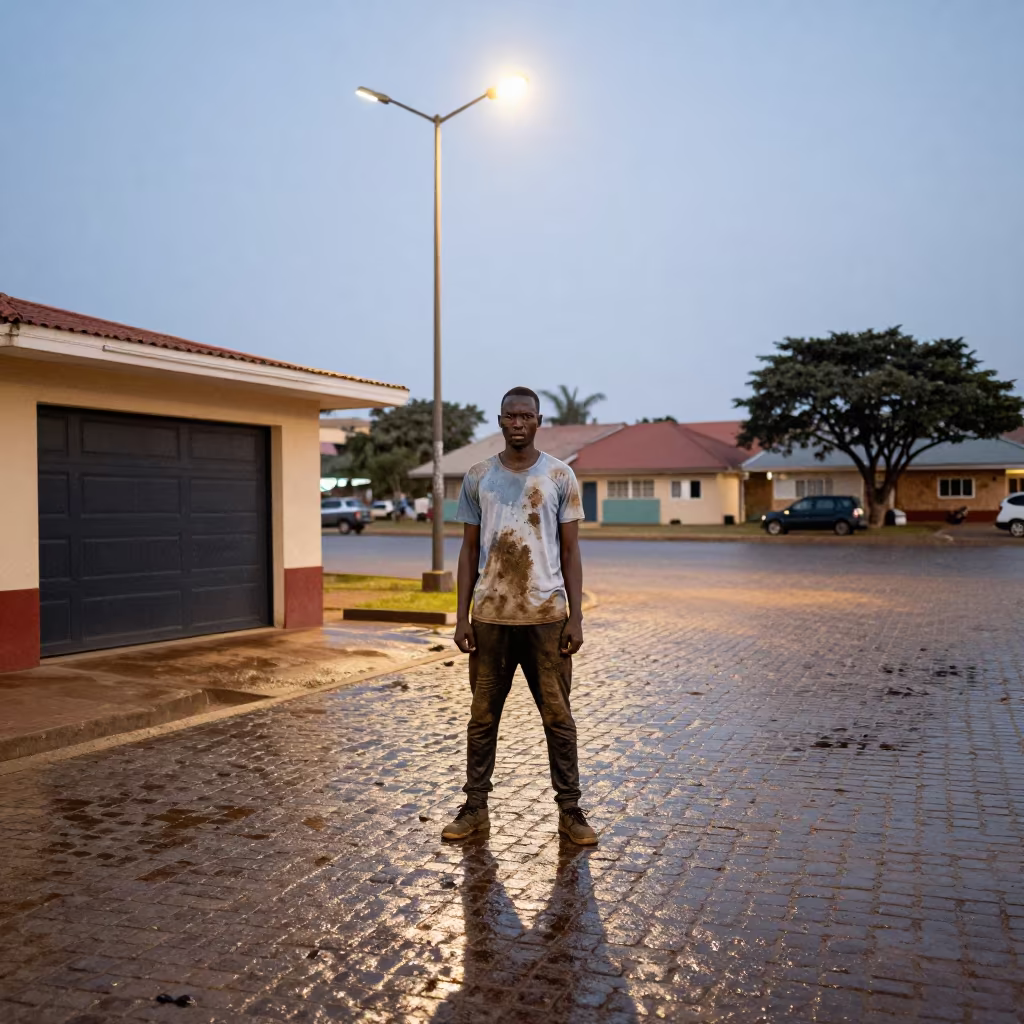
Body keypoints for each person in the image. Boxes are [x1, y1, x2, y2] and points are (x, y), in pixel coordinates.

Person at [441, 386, 597, 845]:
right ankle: (475, 808)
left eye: (526, 416)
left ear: (538, 421)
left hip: (547, 618)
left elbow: (571, 552)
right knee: (482, 719)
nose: (518, 423)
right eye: (511, 416)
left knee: (558, 718)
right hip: (491, 619)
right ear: (500, 420)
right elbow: (468, 550)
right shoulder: (478, 477)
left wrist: (576, 617)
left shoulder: (559, 475)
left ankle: (570, 811)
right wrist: (462, 617)